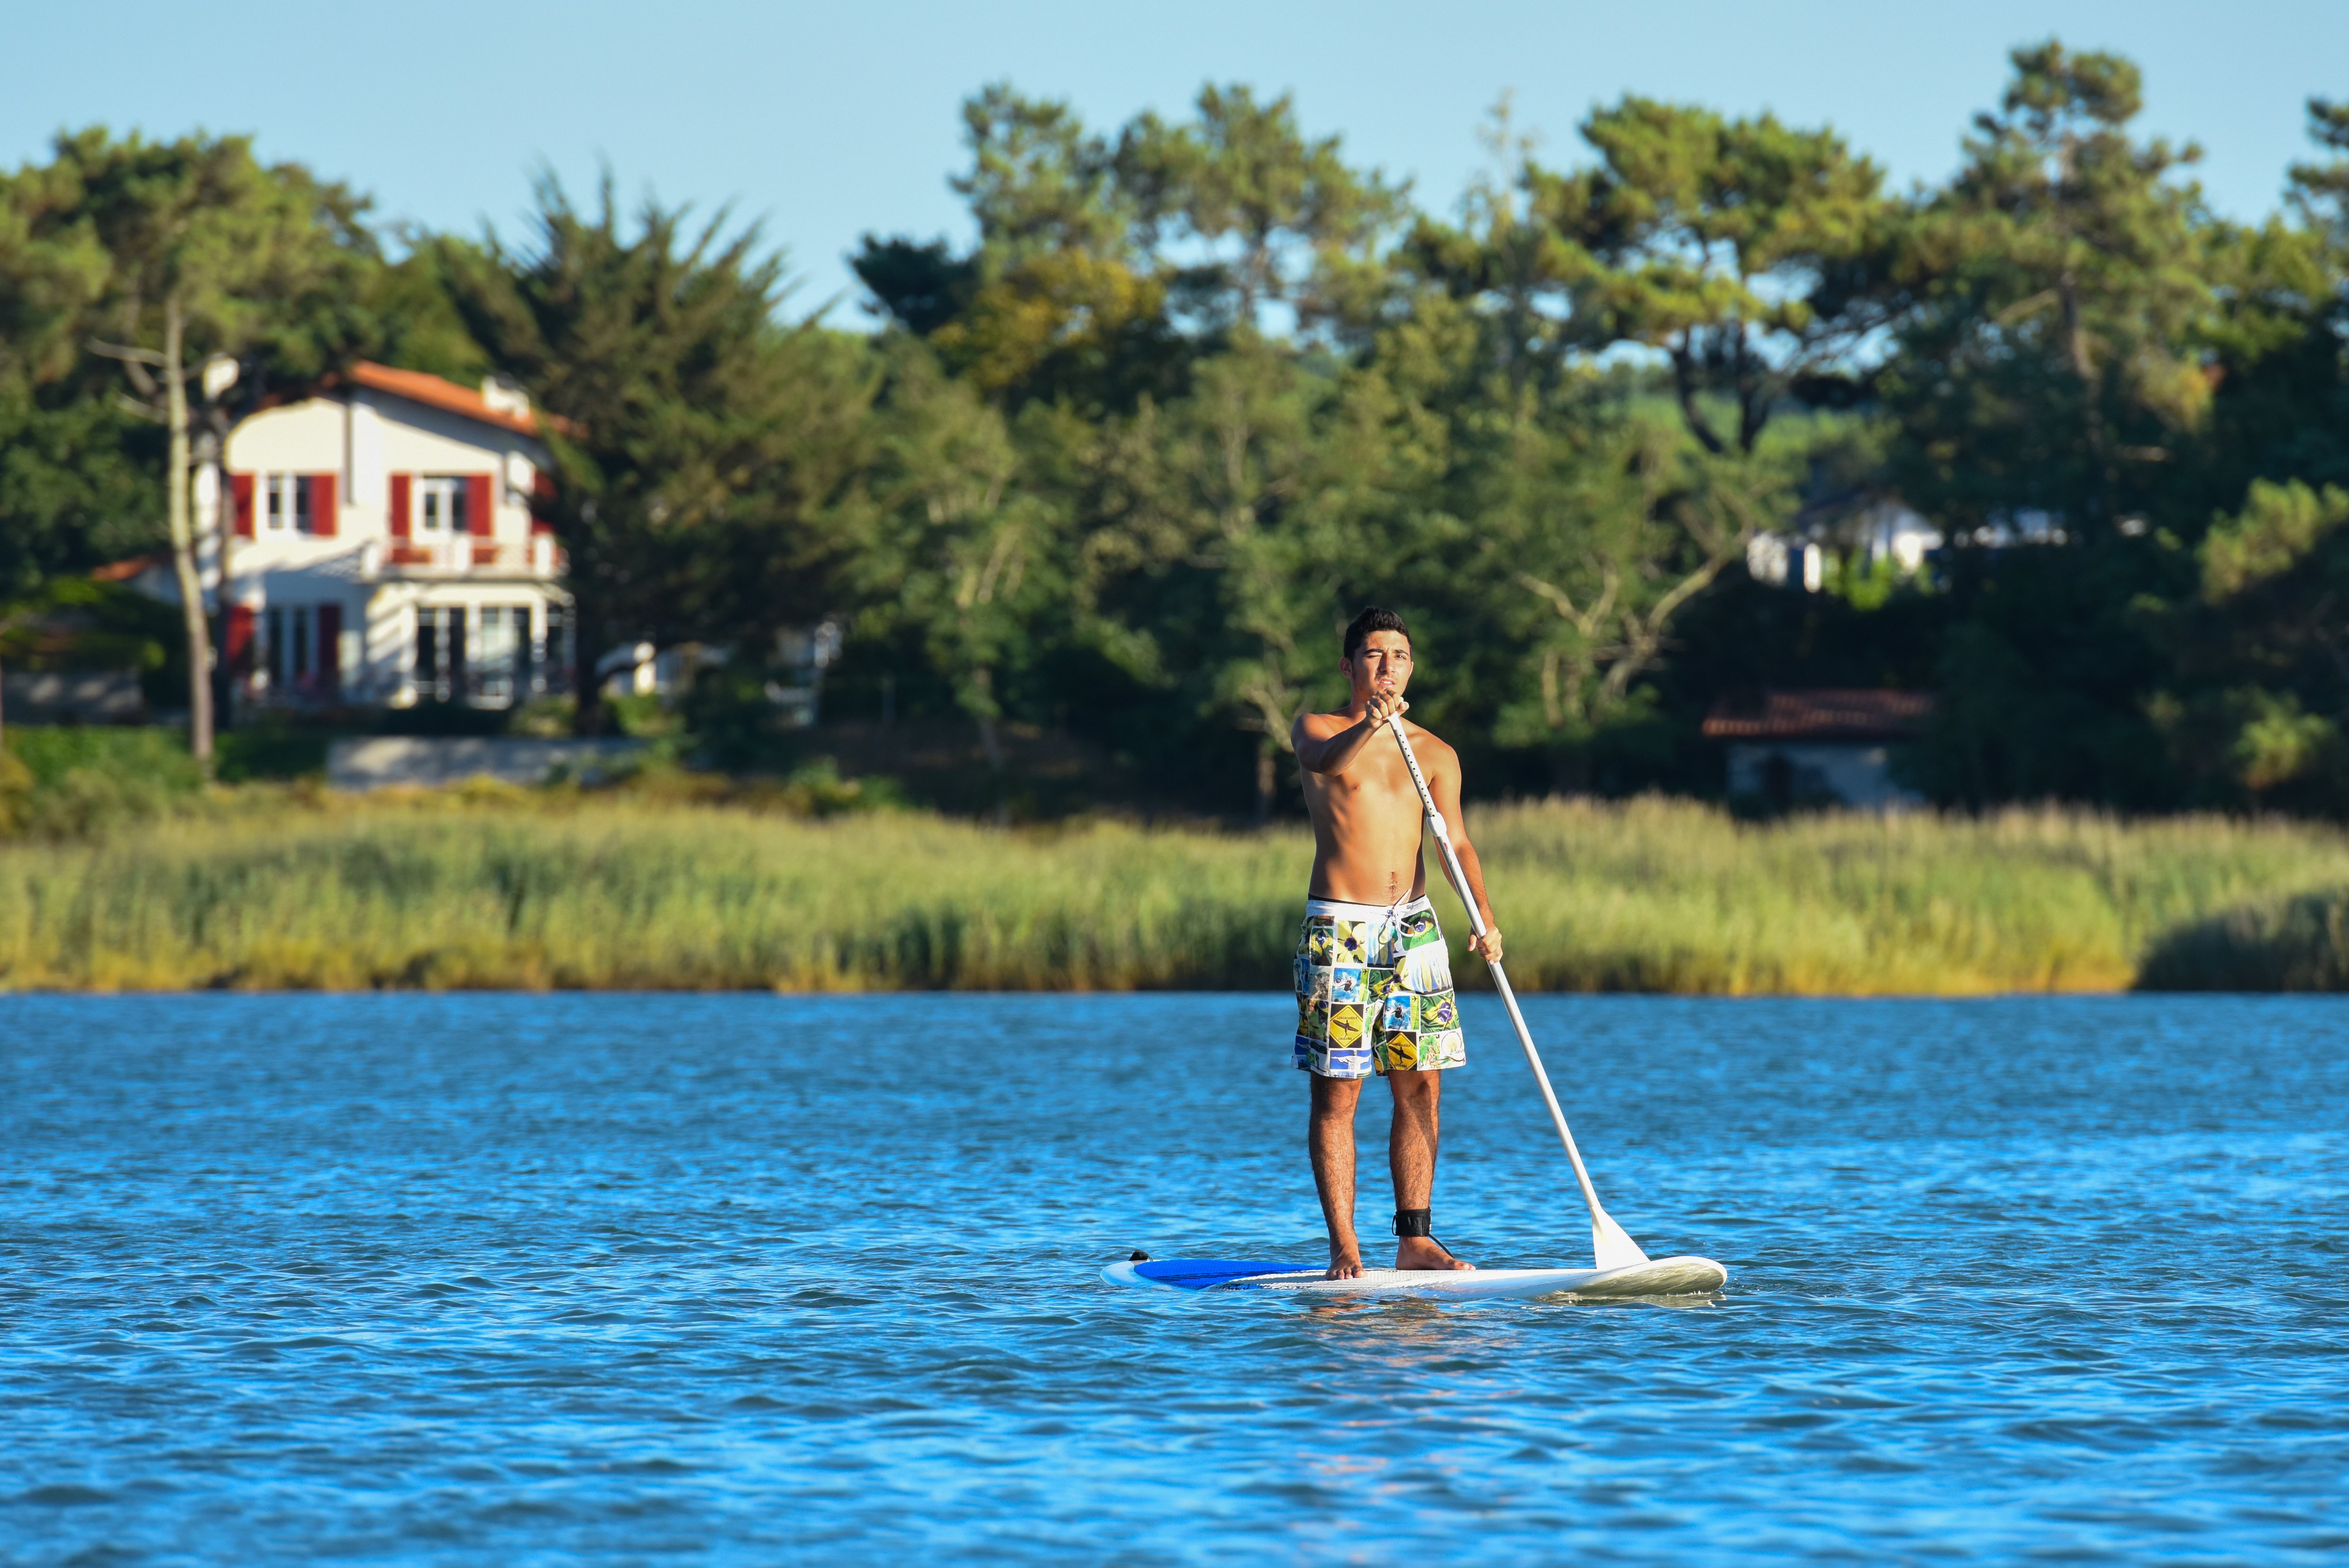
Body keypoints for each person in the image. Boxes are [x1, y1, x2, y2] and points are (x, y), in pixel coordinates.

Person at [1290, 606, 1502, 1279]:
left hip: (1414, 929)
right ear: (1350, 667)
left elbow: (1455, 841)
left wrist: (1484, 917)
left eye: (1400, 656)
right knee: (1339, 1094)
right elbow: (1326, 763)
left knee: (1421, 1087)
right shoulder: (1319, 728)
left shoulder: (1436, 752)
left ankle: (1416, 1240)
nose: (1389, 667)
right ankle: (1344, 1247)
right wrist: (1371, 725)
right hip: (1341, 931)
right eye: (1375, 656)